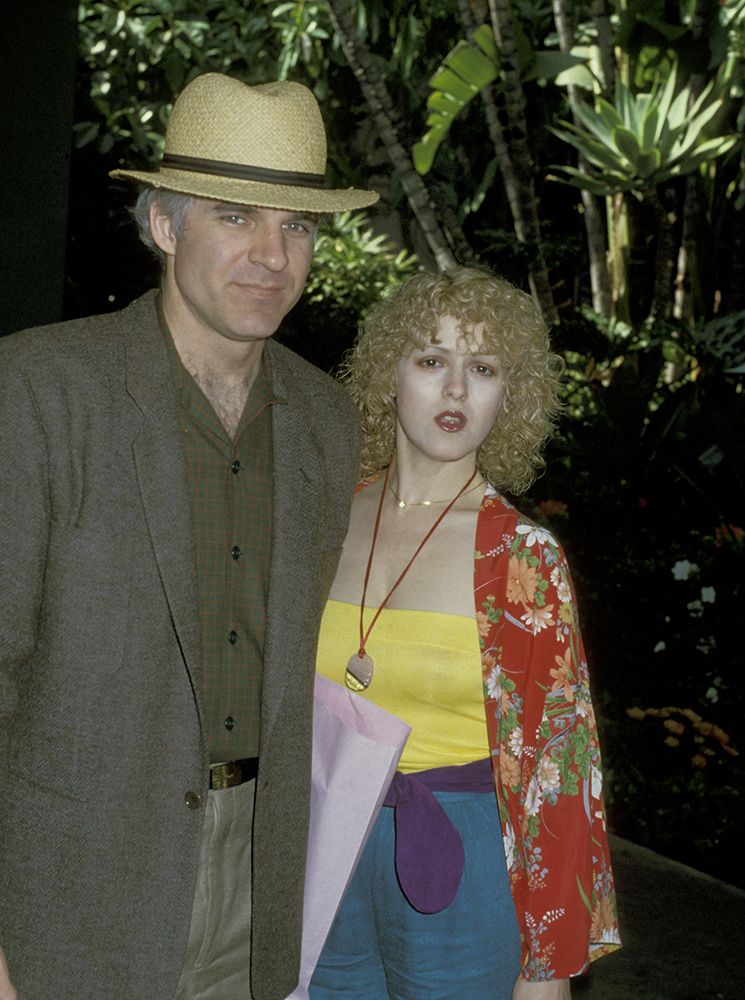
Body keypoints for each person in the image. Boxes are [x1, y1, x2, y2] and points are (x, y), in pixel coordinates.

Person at [0, 73, 378, 1000]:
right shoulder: (42, 392)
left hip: (260, 876)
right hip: (71, 886)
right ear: (164, 226)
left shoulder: (328, 421)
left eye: (296, 226)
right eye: (235, 216)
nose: (271, 255)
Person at [311, 266, 621, 999]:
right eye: (431, 360)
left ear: (505, 396)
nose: (455, 389)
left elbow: (560, 772)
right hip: (321, 843)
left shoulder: (521, 557)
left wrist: (546, 965)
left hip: (465, 863)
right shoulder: (322, 519)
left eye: (482, 368)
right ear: (389, 375)